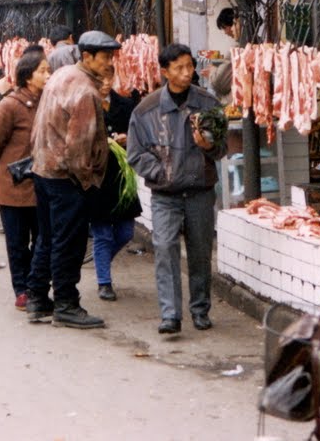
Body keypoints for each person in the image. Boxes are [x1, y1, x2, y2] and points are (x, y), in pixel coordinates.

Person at [128, 43, 227, 334]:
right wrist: (162, 172)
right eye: (180, 68)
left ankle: (200, 309)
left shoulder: (208, 104)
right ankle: (170, 315)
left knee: (200, 252)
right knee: (165, 249)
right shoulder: (146, 110)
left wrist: (208, 147)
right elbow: (136, 153)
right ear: (165, 72)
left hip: (200, 191)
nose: (187, 73)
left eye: (190, 66)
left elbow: (222, 148)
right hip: (165, 195)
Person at [26, 30, 121, 329]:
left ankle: (37, 297)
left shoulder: (62, 74)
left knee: (48, 237)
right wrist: (88, 182)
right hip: (66, 176)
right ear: (88, 56)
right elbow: (78, 148)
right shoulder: (86, 92)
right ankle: (66, 303)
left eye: (111, 57)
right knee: (69, 242)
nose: (109, 63)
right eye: (105, 57)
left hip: (43, 168)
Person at [0, 46, 50, 311]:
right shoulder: (11, 104)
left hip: (42, 183)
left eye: (48, 70)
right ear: (27, 75)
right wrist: (7, 167)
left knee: (43, 238)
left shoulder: (49, 101)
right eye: (43, 71)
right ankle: (22, 289)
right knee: (17, 243)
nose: (48, 75)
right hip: (13, 185)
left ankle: (36, 287)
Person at [90, 75, 141, 301]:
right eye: (100, 78)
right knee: (102, 234)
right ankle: (104, 282)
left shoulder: (126, 105)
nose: (104, 82)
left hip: (122, 177)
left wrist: (127, 139)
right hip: (97, 176)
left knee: (125, 232)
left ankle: (102, 263)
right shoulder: (85, 105)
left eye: (108, 77)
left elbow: (139, 136)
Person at [208, 7, 238, 104]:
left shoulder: (236, 51)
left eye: (225, 27)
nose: (226, 32)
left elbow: (218, 84)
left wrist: (212, 72)